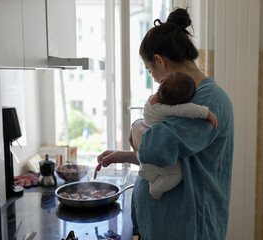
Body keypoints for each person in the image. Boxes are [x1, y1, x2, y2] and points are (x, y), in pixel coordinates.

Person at [95, 7, 234, 240]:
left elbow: (157, 148)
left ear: (160, 60)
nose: (156, 80)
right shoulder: (185, 97)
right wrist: (125, 156)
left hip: (189, 229)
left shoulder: (208, 100)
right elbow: (178, 156)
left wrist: (136, 125)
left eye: (151, 70)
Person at [139, 71, 218, 199]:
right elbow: (187, 109)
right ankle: (155, 190)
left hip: (143, 153)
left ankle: (146, 171)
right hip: (156, 153)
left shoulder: (150, 101)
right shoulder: (164, 109)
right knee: (175, 175)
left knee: (155, 170)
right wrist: (206, 113)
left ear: (162, 80)